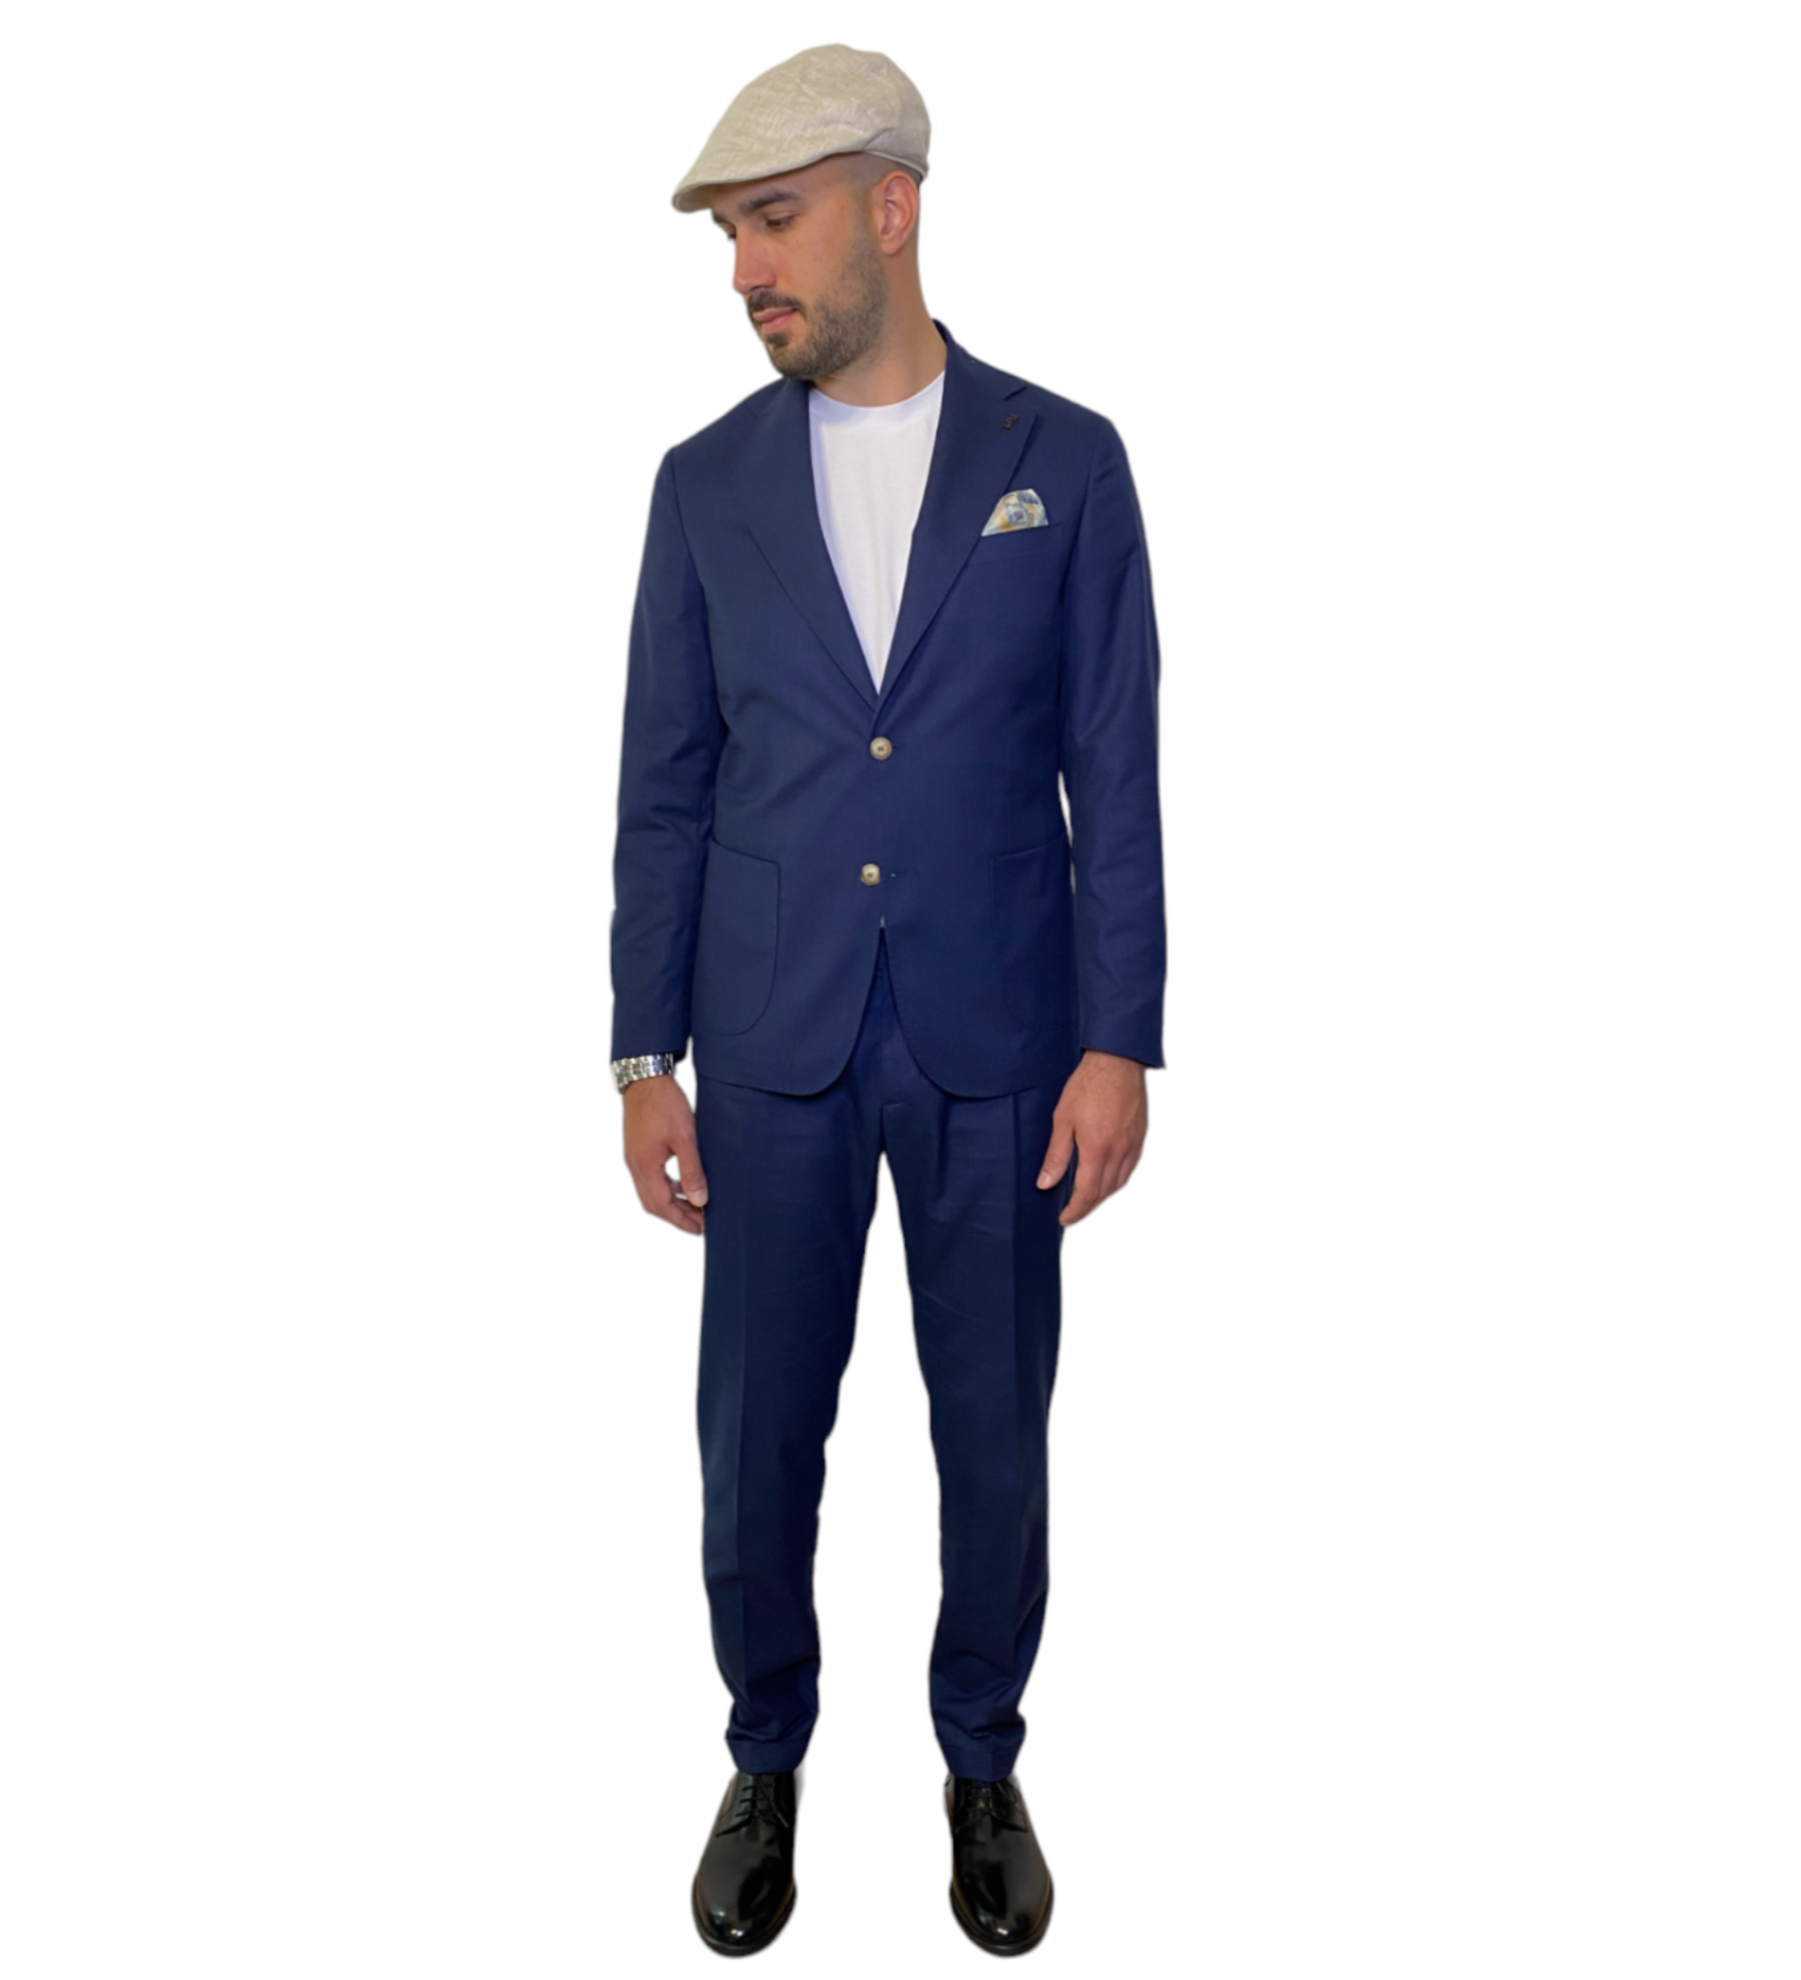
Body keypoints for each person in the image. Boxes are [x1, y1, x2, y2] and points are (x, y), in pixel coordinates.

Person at [608, 42, 1166, 1958]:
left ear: (890, 208)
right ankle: (764, 1754)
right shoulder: (702, 487)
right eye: (730, 236)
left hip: (1000, 1040)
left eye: (773, 223)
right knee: (757, 1437)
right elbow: (664, 785)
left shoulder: (1063, 463)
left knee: (994, 1431)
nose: (745, 270)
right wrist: (642, 1054)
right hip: (768, 1044)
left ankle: (981, 1763)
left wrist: (1119, 1037)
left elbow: (1115, 767)